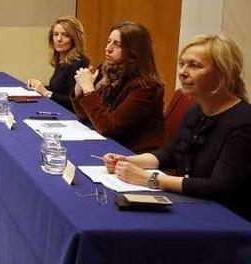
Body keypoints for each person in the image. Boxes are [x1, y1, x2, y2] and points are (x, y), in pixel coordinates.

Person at [104, 34, 251, 220]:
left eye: (195, 66)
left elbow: (219, 187)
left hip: (227, 221)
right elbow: (171, 154)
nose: (183, 72)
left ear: (222, 74)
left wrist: (150, 180)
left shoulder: (243, 123)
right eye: (182, 64)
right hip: (194, 206)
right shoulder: (196, 112)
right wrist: (128, 161)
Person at [71, 21, 165, 153]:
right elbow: (88, 118)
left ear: (134, 51)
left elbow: (108, 128)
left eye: (117, 44)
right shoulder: (109, 71)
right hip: (110, 146)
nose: (108, 48)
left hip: (132, 154)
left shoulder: (146, 87)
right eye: (109, 41)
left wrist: (89, 90)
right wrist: (80, 92)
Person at [27, 16, 90, 111]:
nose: (59, 39)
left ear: (74, 39)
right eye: (56, 34)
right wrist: (37, 86)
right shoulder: (62, 59)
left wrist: (46, 93)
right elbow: (57, 90)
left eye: (65, 35)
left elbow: (73, 101)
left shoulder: (78, 63)